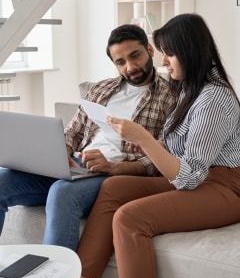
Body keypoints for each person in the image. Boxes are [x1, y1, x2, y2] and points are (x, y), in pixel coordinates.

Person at [76, 13, 240, 278]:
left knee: (129, 219)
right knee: (113, 188)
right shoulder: (191, 88)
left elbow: (189, 177)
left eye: (169, 54)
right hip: (204, 181)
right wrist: (138, 144)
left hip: (226, 189)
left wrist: (143, 139)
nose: (162, 62)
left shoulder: (214, 98)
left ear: (189, 53)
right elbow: (181, 148)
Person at [0, 24, 175, 251]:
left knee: (62, 193)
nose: (130, 67)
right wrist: (59, 153)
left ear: (150, 50)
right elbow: (72, 132)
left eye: (135, 56)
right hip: (77, 165)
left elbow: (163, 157)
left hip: (114, 175)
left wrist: (112, 167)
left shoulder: (171, 96)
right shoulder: (101, 89)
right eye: (120, 62)